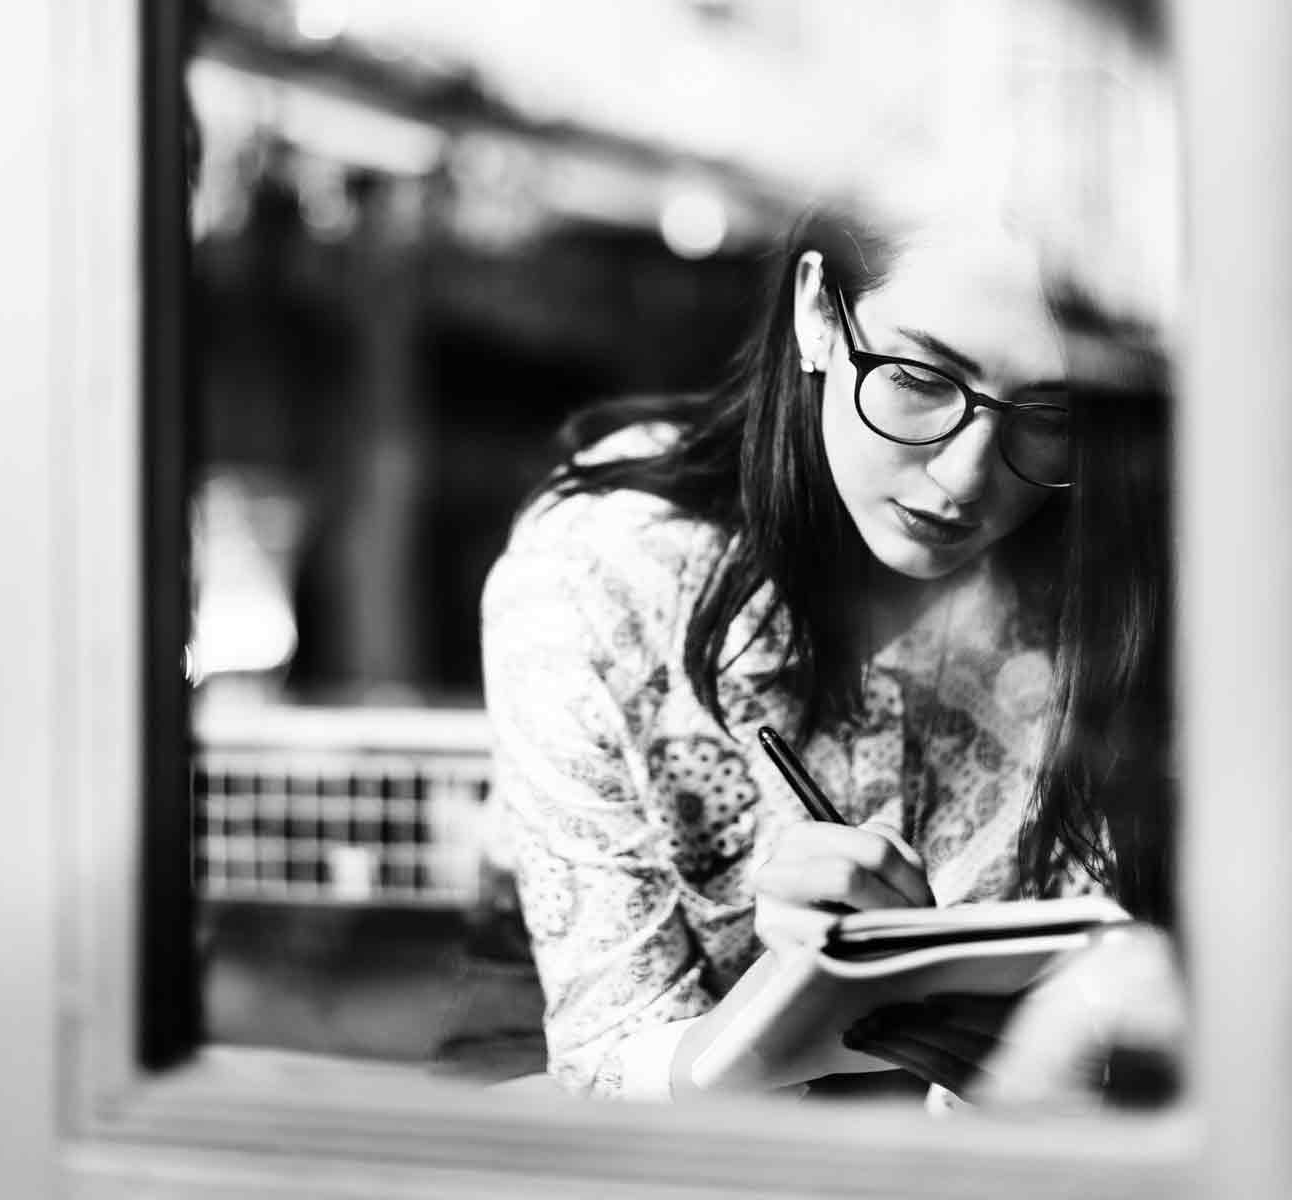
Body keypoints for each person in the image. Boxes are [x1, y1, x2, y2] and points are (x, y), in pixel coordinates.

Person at [479, 195, 1182, 1107]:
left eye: (1047, 416)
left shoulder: (1113, 603)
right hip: (592, 1079)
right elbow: (599, 1061)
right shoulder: (605, 569)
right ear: (817, 310)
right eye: (920, 379)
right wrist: (774, 1011)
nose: (965, 476)